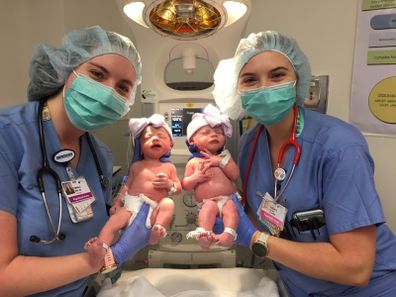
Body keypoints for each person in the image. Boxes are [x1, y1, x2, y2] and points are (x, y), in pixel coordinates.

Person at [212, 31, 396, 296]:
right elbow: (265, 214)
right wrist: (227, 217)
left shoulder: (339, 145)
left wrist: (254, 238)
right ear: (236, 90)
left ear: (298, 80)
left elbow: (356, 268)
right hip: (300, 286)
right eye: (250, 80)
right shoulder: (250, 143)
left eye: (277, 76)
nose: (264, 87)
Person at [0, 26, 153, 296]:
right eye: (97, 74)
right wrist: (99, 260)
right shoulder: (8, 137)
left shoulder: (100, 156)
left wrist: (123, 224)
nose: (108, 92)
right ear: (65, 70)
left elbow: (92, 232)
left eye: (123, 87)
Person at [85, 114, 181, 272]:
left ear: (170, 144)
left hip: (153, 210)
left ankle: (157, 229)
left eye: (161, 136)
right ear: (140, 147)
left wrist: (170, 184)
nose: (155, 139)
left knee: (168, 203)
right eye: (148, 137)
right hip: (130, 206)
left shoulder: (169, 168)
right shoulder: (137, 166)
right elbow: (126, 186)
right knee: (111, 224)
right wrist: (117, 202)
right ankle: (100, 249)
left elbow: (178, 189)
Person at [182, 104, 239, 249]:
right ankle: (205, 235)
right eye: (205, 132)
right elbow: (186, 185)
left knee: (231, 209)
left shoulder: (225, 157)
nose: (214, 135)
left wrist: (219, 162)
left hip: (228, 199)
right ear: (192, 141)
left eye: (218, 132)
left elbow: (235, 174)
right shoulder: (194, 162)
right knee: (207, 210)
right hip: (207, 201)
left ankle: (228, 234)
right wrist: (195, 177)